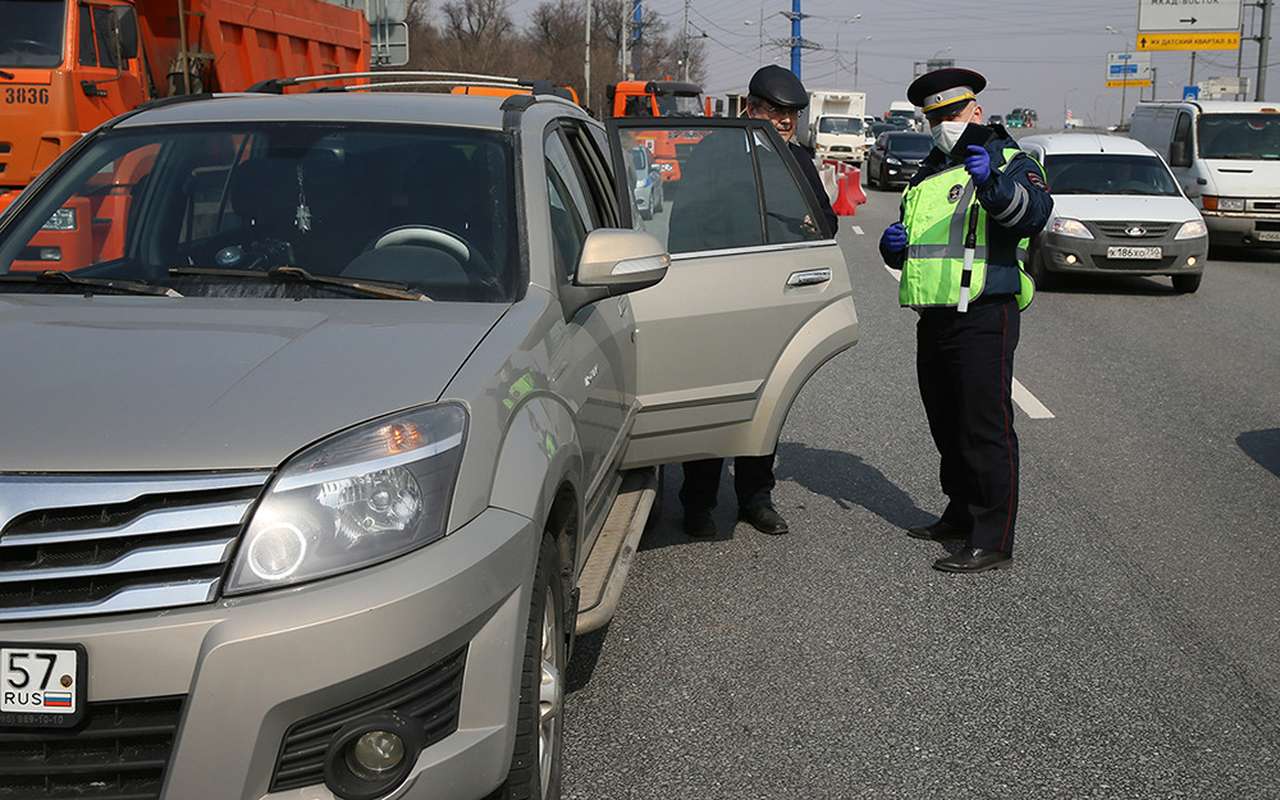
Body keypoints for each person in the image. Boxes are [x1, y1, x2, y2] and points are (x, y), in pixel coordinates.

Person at [878, 68, 1052, 573]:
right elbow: (925, 246)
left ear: (976, 111)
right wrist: (894, 249)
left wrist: (992, 183)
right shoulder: (928, 173)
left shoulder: (1011, 161)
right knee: (947, 424)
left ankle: (992, 538)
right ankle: (959, 513)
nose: (944, 125)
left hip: (984, 313)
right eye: (934, 118)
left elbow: (1033, 215)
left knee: (984, 428)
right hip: (934, 315)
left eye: (953, 113)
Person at [680, 64, 837, 540]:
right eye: (776, 111)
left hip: (773, 300)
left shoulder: (798, 160)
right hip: (719, 297)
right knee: (712, 404)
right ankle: (698, 503)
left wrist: (808, 227)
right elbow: (686, 222)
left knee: (766, 402)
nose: (785, 121)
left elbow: (825, 223)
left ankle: (756, 498)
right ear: (751, 109)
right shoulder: (714, 153)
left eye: (792, 114)